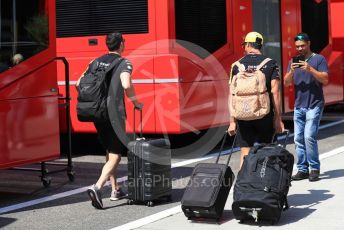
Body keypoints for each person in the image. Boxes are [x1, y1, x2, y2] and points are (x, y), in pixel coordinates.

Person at [76, 32, 143, 209]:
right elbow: (126, 84)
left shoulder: (95, 61)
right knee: (116, 155)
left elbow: (78, 83)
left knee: (109, 149)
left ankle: (115, 189)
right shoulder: (124, 63)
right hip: (114, 114)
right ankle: (97, 187)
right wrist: (136, 102)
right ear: (121, 44)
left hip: (97, 113)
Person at [227, 31, 284, 168]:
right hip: (264, 115)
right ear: (260, 45)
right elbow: (275, 92)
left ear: (247, 45)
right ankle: (265, 185)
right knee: (267, 151)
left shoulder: (236, 65)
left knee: (245, 152)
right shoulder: (270, 64)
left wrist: (232, 121)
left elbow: (232, 95)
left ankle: (242, 186)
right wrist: (278, 119)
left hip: (242, 116)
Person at [284, 32, 328, 182]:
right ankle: (302, 169)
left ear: (309, 44)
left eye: (302, 46)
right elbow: (286, 83)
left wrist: (309, 69)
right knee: (297, 138)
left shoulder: (319, 59)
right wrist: (291, 71)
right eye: (297, 47)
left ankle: (314, 168)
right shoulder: (293, 61)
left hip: (314, 104)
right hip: (299, 106)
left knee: (309, 136)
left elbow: (325, 79)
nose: (300, 49)